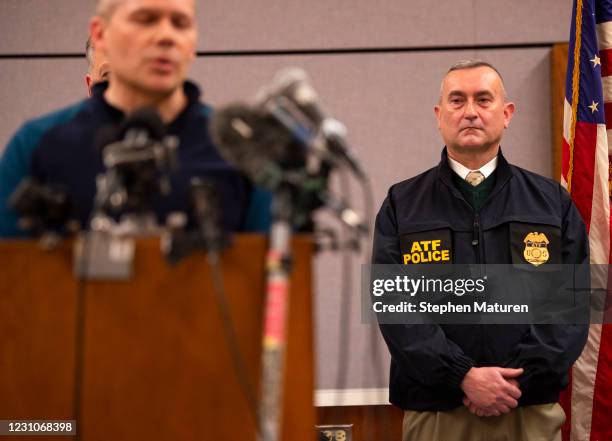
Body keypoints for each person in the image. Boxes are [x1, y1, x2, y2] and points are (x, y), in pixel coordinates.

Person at [372, 60, 589, 441]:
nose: (470, 111)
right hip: (437, 411)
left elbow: (574, 303)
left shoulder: (551, 202)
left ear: (506, 114)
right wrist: (462, 376)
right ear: (439, 116)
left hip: (528, 408)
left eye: (483, 100)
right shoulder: (401, 203)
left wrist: (512, 381)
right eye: (457, 101)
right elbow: (394, 308)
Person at [0, 0, 258, 237]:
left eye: (180, 23)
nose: (166, 36)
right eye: (145, 20)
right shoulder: (35, 144)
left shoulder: (241, 148)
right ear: (101, 34)